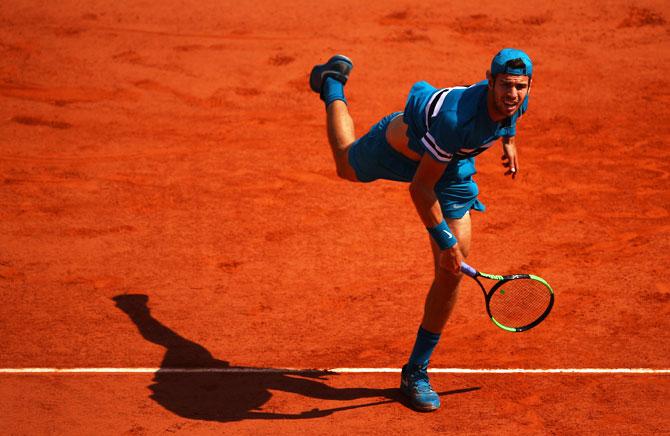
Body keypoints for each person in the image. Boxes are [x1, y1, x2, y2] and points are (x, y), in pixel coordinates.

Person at [309, 49, 532, 412]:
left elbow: (507, 119)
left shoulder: (516, 100)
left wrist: (508, 141)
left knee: (451, 273)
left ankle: (416, 371)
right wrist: (445, 240)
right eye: (506, 85)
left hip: (452, 166)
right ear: (489, 81)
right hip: (400, 149)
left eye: (520, 87)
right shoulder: (455, 120)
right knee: (345, 164)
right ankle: (331, 81)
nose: (513, 94)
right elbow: (420, 187)